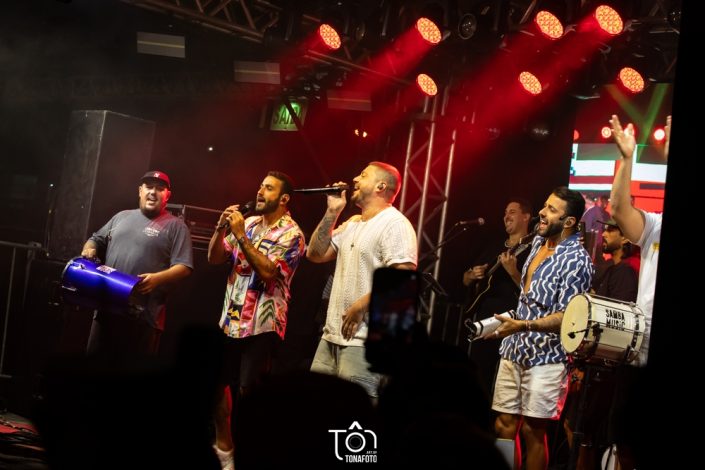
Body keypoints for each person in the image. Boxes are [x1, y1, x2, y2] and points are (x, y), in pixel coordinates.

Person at [207, 171, 305, 470]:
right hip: (231, 319)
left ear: (284, 199)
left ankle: (251, 452)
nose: (260, 191)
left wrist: (239, 235)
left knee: (249, 392)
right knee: (217, 385)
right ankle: (225, 450)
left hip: (261, 324)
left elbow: (268, 272)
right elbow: (214, 258)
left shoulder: (292, 234)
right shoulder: (248, 223)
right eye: (261, 186)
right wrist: (221, 228)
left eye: (269, 188)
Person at [492, 186, 593, 470]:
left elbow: (569, 316)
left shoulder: (577, 261)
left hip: (548, 357)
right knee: (503, 424)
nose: (542, 212)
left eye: (551, 209)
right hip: (515, 348)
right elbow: (531, 296)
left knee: (533, 431)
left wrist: (524, 325)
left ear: (569, 221)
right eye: (545, 205)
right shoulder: (538, 243)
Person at [307, 161, 417, 399]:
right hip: (331, 337)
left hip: (366, 342)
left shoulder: (395, 224)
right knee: (315, 411)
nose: (355, 179)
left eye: (363, 175)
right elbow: (314, 254)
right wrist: (332, 211)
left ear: (380, 186)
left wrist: (361, 305)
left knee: (355, 415)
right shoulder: (353, 223)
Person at [604, 115, 668, 470]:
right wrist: (627, 158)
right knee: (625, 446)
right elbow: (618, 209)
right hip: (639, 355)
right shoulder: (655, 224)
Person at [81, 170, 193, 359]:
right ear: (140, 191)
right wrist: (89, 248)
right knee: (94, 370)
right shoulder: (121, 217)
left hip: (144, 318)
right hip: (106, 311)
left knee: (133, 374)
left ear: (167, 195)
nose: (153, 192)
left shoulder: (176, 226)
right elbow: (96, 239)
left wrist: (157, 279)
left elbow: (184, 267)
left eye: (160, 189)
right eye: (149, 187)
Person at [562, 217, 640, 470]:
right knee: (576, 427)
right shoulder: (605, 269)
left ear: (625, 237)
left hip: (605, 368)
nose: (604, 233)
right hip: (590, 363)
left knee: (585, 432)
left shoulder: (626, 272)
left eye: (611, 230)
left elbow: (617, 320)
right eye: (604, 229)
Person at [463, 198, 533, 396]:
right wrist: (471, 275)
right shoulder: (494, 246)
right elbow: (465, 280)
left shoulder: (531, 250)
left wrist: (513, 272)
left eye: (512, 212)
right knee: (477, 376)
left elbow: (531, 292)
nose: (506, 216)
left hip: (511, 323)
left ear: (526, 217)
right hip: (484, 320)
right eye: (505, 212)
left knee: (504, 381)